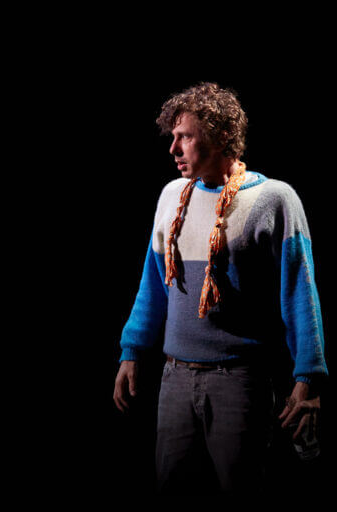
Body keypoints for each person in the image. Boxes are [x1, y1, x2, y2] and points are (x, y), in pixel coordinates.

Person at [112, 83, 327, 494]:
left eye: (185, 137)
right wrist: (132, 350)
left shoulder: (274, 199)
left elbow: (301, 295)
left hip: (239, 382)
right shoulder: (172, 197)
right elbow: (153, 286)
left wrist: (309, 379)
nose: (173, 149)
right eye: (173, 137)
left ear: (222, 135)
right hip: (175, 378)